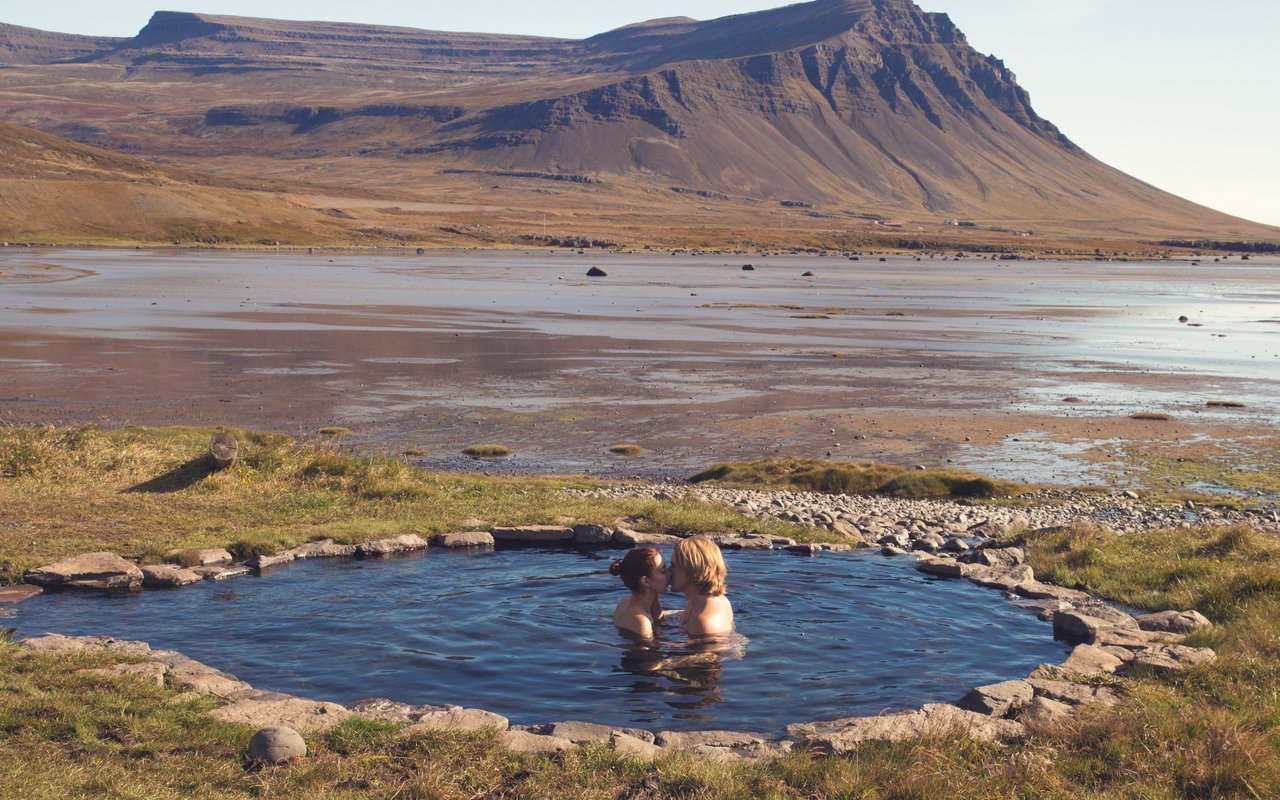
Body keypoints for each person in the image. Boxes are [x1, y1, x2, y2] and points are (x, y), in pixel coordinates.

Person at [669, 536, 734, 637]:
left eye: (673, 566)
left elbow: (707, 653)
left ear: (692, 570)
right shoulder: (697, 601)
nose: (668, 572)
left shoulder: (704, 622)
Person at [609, 546, 669, 639]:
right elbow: (650, 652)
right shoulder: (641, 622)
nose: (669, 574)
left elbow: (660, 621)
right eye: (663, 571)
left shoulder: (627, 601)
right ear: (645, 581)